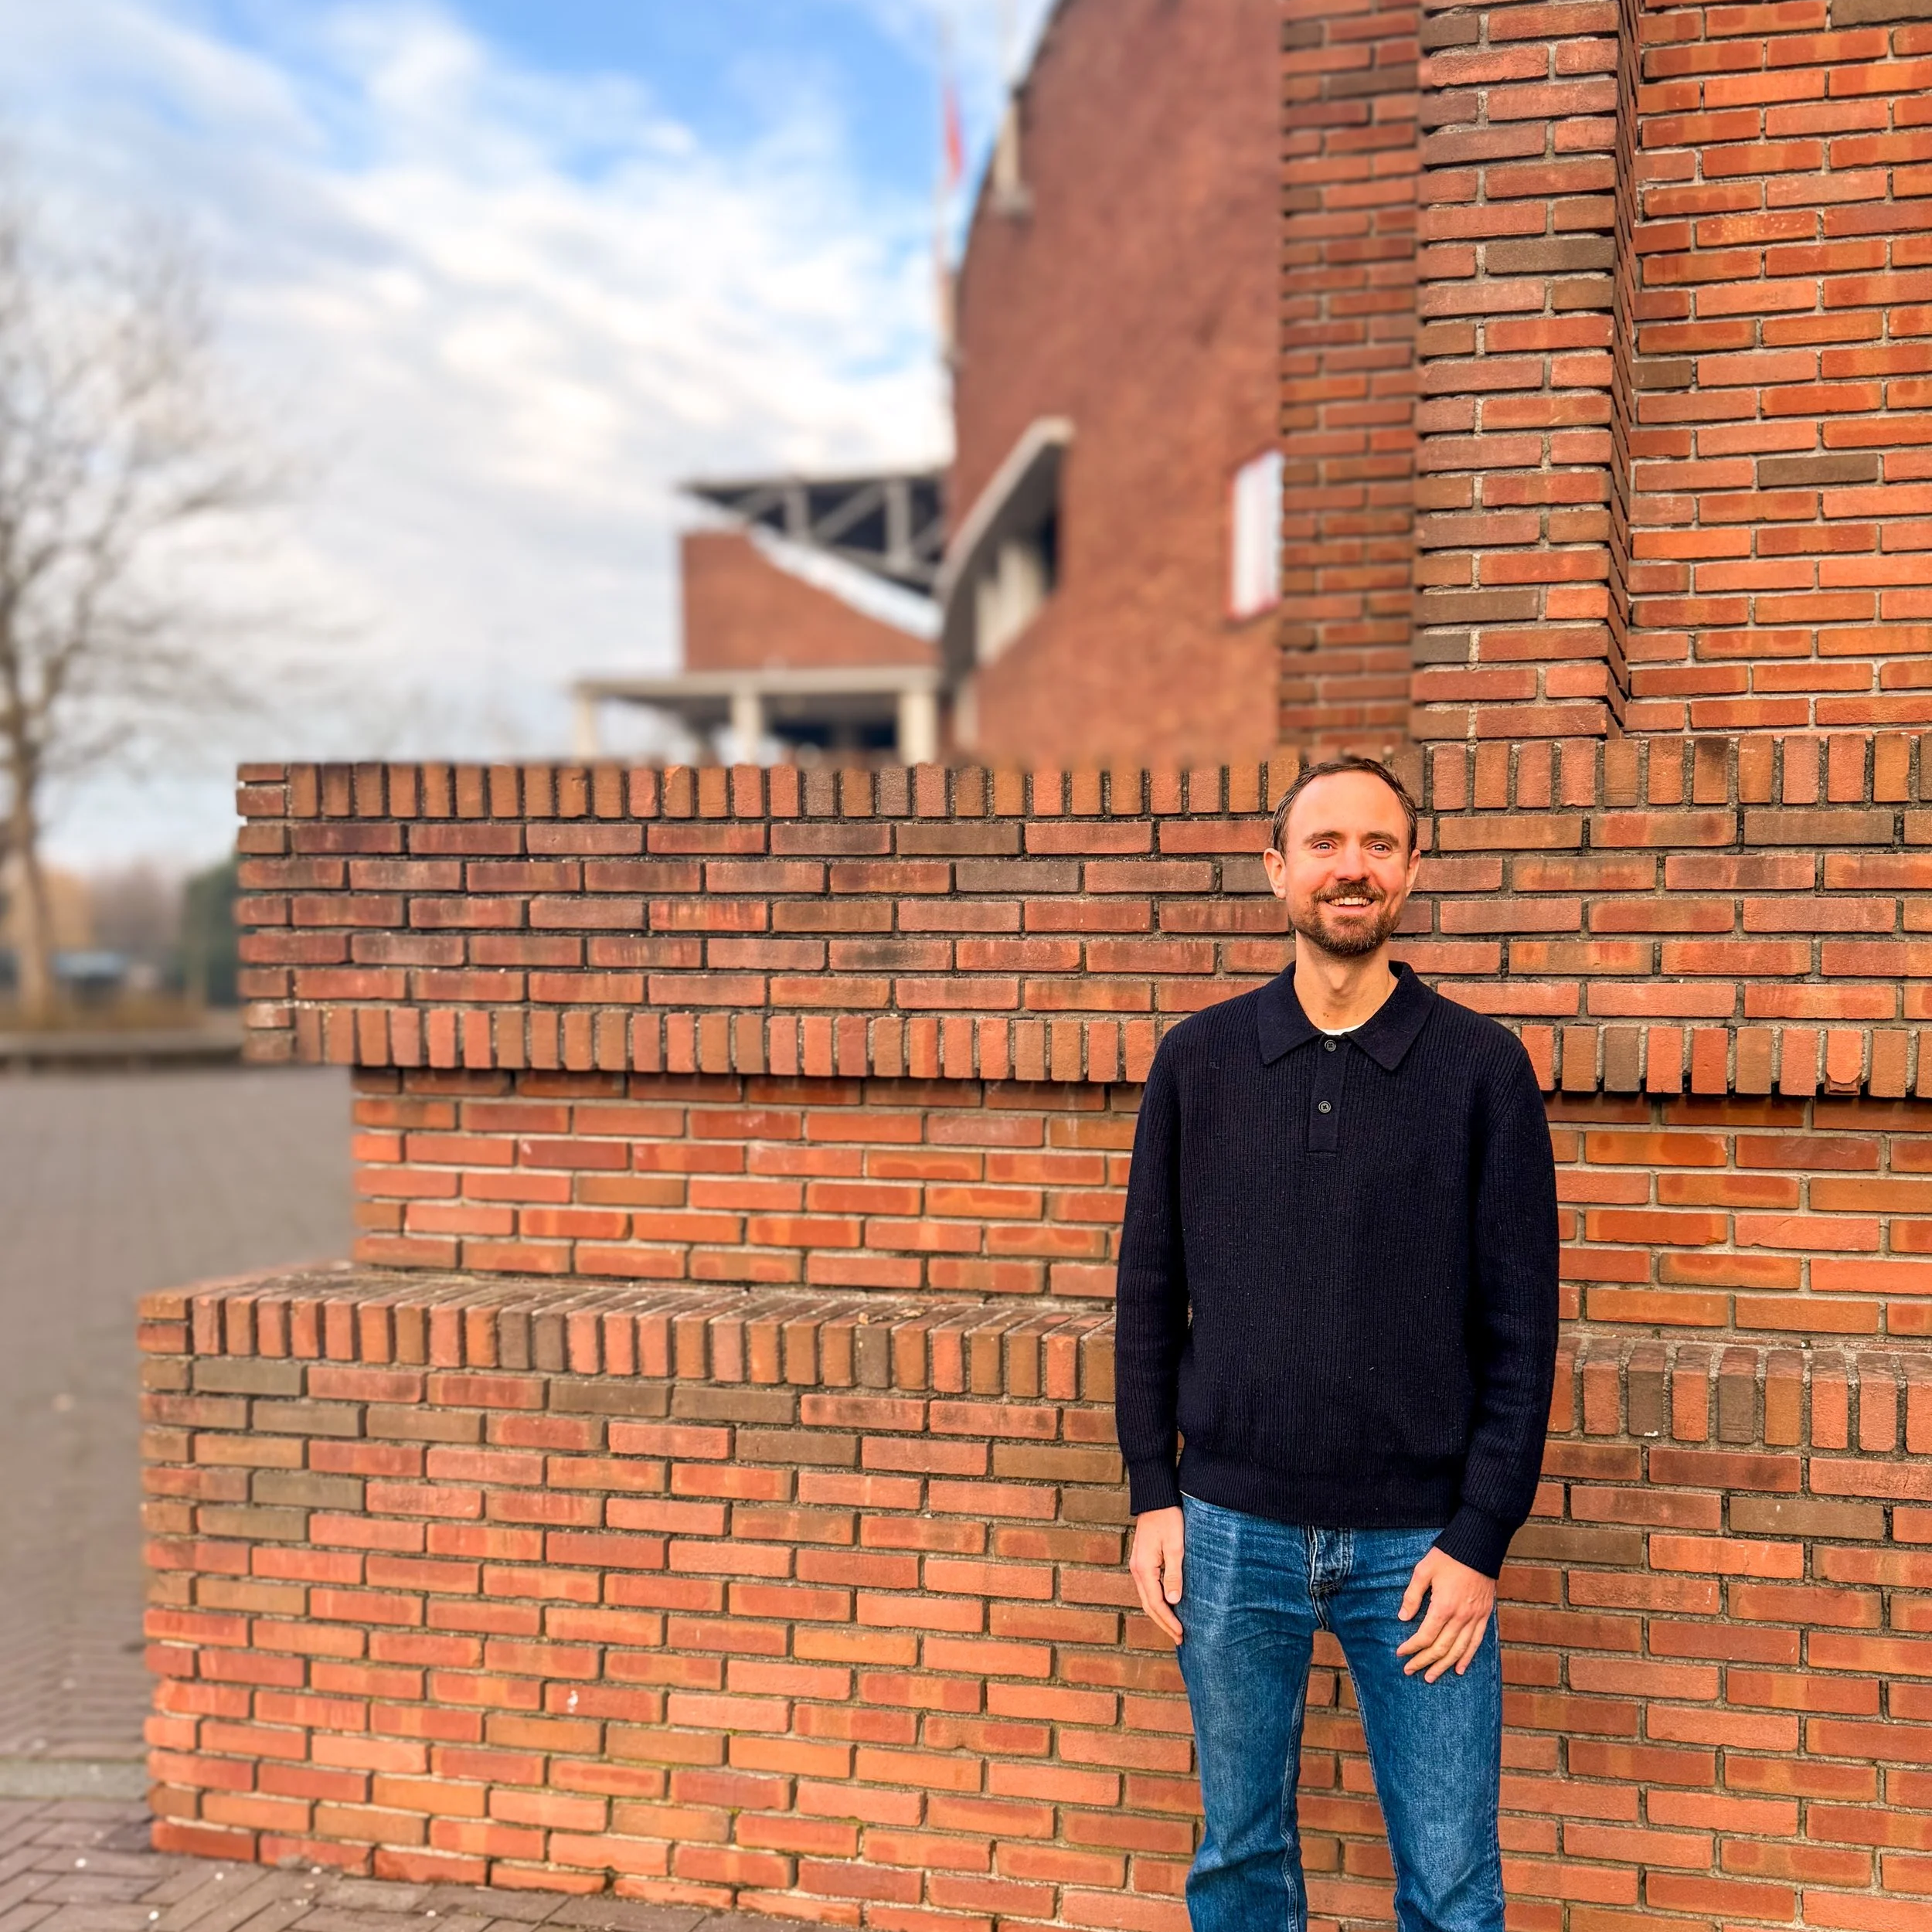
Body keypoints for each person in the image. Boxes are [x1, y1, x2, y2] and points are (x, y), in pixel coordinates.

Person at [1113, 754, 1559, 1932]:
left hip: (1421, 1558)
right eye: (1323, 844)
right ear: (1277, 870)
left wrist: (1480, 1539)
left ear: (1413, 869)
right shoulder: (1198, 1061)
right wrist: (1153, 1495)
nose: (1350, 867)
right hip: (1230, 1535)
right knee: (1240, 1861)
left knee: (1455, 1884)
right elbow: (1150, 1293)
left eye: (1376, 844)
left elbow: (1523, 1330)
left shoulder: (1482, 1069)